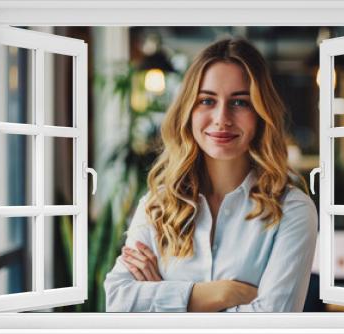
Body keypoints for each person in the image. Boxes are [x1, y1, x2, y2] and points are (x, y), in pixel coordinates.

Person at [104, 38, 318, 312]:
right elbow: (118, 301)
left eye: (240, 102)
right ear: (188, 111)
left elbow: (270, 322)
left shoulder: (292, 210)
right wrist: (222, 294)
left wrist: (163, 301)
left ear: (261, 114)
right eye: (206, 100)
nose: (221, 118)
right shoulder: (158, 205)